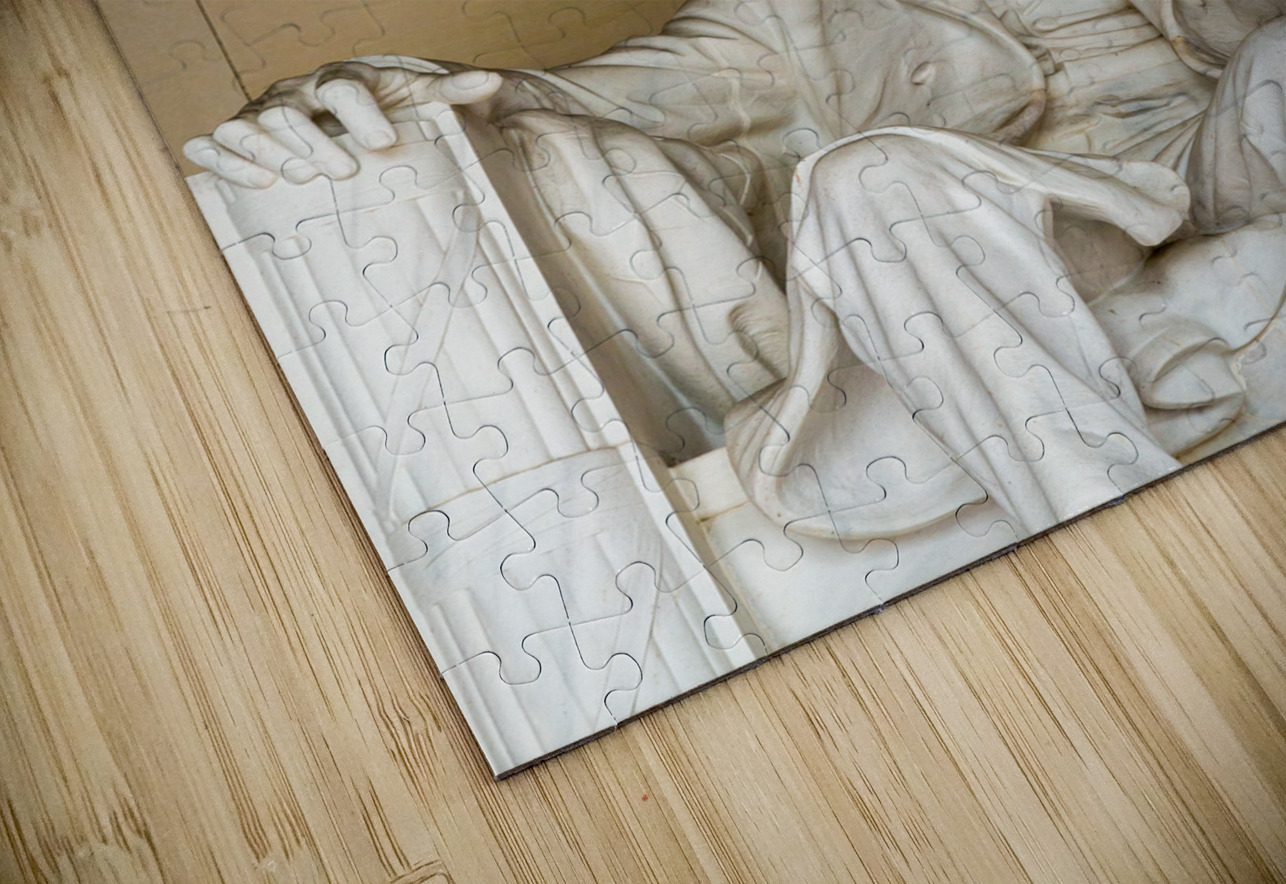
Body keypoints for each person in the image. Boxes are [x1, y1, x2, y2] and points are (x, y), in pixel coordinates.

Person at [186, 0, 1286, 539]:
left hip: (1220, 151)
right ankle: (1118, 530)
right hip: (1037, 217)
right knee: (868, 178)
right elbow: (567, 94)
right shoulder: (793, 16)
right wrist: (352, 96)